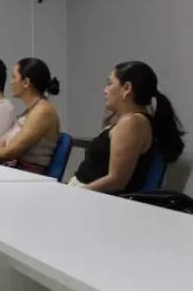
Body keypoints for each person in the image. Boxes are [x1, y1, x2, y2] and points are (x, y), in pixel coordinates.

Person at [70, 61, 185, 193]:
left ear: (127, 88)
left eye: (110, 84)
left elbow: (116, 181)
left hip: (92, 196)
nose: (105, 90)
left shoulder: (132, 123)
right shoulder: (129, 120)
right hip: (86, 192)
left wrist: (74, 194)